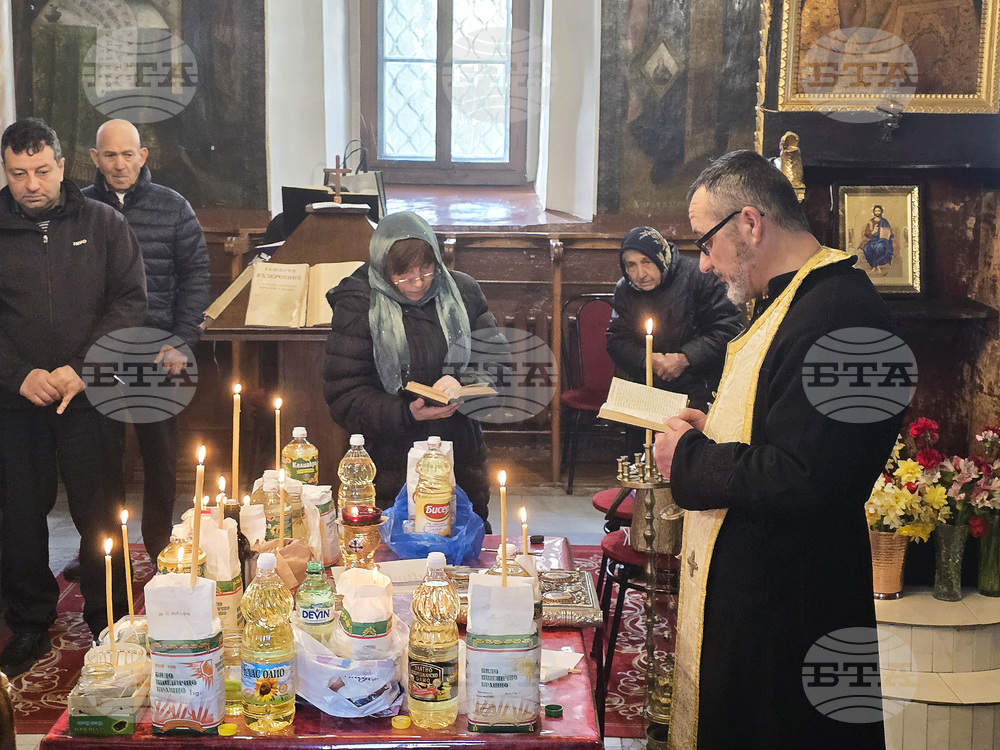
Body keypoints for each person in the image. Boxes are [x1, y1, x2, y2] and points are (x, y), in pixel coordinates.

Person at [653, 150, 902, 749]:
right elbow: (784, 431)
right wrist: (713, 428)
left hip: (796, 612)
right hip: (768, 597)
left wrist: (688, 456)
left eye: (705, 243)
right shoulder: (796, 301)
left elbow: (809, 476)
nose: (704, 264)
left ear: (750, 222)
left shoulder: (845, 317)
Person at [0, 118, 146, 676]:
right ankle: (30, 621)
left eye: (41, 171)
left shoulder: (104, 223)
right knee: (19, 513)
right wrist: (18, 374)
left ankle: (109, 618)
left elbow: (129, 303)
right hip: (16, 400)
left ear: (62, 166)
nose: (31, 184)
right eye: (18, 174)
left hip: (88, 397)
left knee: (100, 510)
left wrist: (82, 368)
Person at [323, 211, 505, 529]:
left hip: (459, 459)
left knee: (461, 550)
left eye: (426, 269)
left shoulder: (462, 292)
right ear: (383, 267)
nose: (418, 281)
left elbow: (496, 363)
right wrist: (407, 413)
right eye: (403, 274)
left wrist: (464, 383)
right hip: (388, 465)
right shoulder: (358, 303)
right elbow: (345, 395)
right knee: (394, 553)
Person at [82, 119, 210, 563]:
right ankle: (104, 552)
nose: (120, 164)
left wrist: (182, 341)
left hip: (159, 353)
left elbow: (196, 278)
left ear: (143, 156)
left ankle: (160, 548)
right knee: (101, 461)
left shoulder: (173, 207)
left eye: (127, 154)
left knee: (161, 460)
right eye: (110, 155)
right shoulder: (78, 208)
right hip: (98, 354)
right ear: (95, 158)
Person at [605, 226, 743, 424]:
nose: (640, 274)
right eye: (631, 265)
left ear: (661, 256)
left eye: (647, 262)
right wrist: (645, 359)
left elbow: (730, 328)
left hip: (699, 389)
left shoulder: (700, 277)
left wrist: (686, 357)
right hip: (645, 393)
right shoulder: (625, 289)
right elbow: (616, 339)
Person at [860, 204, 895, 275]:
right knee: (867, 248)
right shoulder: (871, 222)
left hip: (884, 240)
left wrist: (887, 233)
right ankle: (875, 265)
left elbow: (890, 232)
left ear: (881, 212)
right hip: (873, 240)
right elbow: (866, 233)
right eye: (876, 211)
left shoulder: (884, 221)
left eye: (879, 211)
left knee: (879, 247)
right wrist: (873, 232)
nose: (877, 212)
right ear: (873, 212)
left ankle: (875, 265)